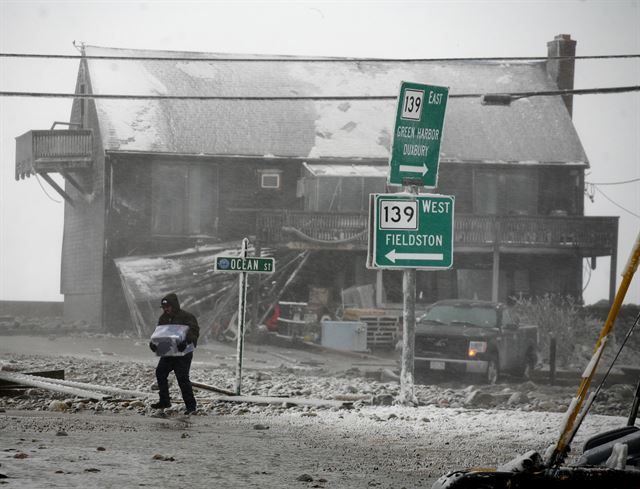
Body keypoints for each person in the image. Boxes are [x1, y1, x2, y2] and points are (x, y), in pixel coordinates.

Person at [149, 293, 199, 414]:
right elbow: (159, 334)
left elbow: (194, 331)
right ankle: (164, 400)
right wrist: (153, 343)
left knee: (182, 378)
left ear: (174, 306)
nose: (166, 310)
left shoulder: (187, 316)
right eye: (164, 308)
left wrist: (186, 341)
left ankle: (191, 407)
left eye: (168, 307)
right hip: (169, 352)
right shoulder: (163, 318)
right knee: (160, 372)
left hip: (183, 353)